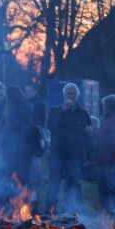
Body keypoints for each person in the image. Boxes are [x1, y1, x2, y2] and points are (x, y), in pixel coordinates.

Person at [46, 82, 91, 212]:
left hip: (75, 156)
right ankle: (49, 213)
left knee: (73, 185)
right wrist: (62, 111)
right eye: (68, 93)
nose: (71, 96)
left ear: (77, 96)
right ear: (63, 95)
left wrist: (86, 153)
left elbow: (87, 133)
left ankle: (72, 214)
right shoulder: (55, 111)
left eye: (73, 94)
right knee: (53, 184)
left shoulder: (83, 113)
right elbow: (50, 126)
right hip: (57, 154)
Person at [95, 94, 115, 214]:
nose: (102, 107)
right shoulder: (107, 120)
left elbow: (114, 142)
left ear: (107, 106)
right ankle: (105, 215)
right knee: (103, 191)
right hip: (102, 162)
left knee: (112, 191)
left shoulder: (114, 121)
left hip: (109, 163)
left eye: (104, 105)